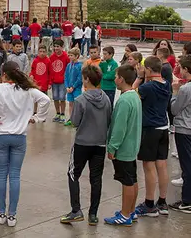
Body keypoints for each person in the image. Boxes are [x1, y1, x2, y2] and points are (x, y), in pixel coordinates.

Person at [0, 61, 51, 227]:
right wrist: (37, 118)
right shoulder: (27, 89)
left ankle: (1, 212)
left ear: (4, 74)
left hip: (0, 136)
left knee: (1, 175)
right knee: (15, 175)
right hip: (19, 136)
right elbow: (46, 100)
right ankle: (12, 215)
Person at [60, 65, 113, 226]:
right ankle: (93, 214)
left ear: (87, 80)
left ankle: (76, 210)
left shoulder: (80, 100)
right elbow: (109, 119)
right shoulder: (106, 98)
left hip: (82, 143)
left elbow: (75, 122)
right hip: (100, 143)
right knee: (96, 178)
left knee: (73, 174)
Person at [103, 64, 142, 226]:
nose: (114, 79)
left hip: (124, 148)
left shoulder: (124, 100)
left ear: (121, 79)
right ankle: (130, 211)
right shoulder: (135, 96)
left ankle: (125, 215)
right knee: (132, 179)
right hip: (132, 146)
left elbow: (119, 127)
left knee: (127, 182)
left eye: (116, 77)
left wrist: (112, 147)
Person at [132, 56, 171, 218]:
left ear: (148, 69)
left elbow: (131, 94)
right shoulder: (166, 84)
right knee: (161, 165)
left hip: (150, 128)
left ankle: (149, 203)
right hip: (163, 127)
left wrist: (139, 78)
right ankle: (162, 201)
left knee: (149, 166)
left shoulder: (147, 87)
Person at [168, 55, 191, 214]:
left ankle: (187, 201)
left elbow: (175, 109)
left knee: (187, 167)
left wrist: (174, 93)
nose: (179, 70)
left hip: (185, 129)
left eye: (181, 67)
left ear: (186, 69)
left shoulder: (186, 89)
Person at [49, 39, 70, 122]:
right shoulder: (51, 57)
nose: (56, 48)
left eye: (58, 46)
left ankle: (63, 114)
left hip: (63, 81)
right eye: (54, 46)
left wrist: (67, 80)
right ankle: (57, 113)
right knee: (55, 98)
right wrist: (50, 81)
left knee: (62, 98)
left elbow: (68, 69)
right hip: (54, 81)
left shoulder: (66, 57)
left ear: (62, 47)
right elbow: (50, 69)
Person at [64, 48, 83, 125]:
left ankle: (77, 119)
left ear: (77, 56)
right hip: (69, 88)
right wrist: (67, 87)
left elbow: (79, 78)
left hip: (76, 89)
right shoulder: (68, 65)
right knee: (70, 104)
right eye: (69, 55)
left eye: (71, 55)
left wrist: (73, 87)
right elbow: (66, 76)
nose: (69, 57)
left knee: (77, 104)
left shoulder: (80, 66)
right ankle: (71, 119)